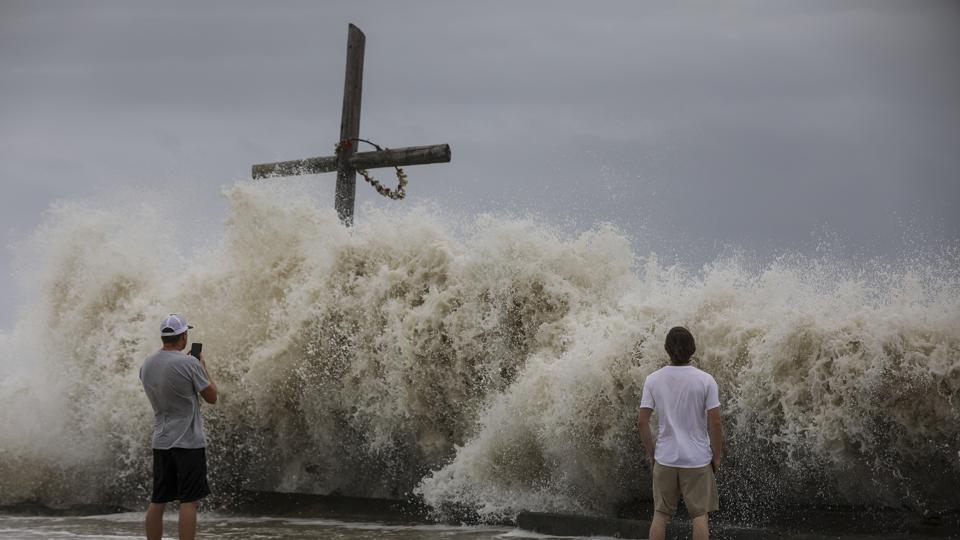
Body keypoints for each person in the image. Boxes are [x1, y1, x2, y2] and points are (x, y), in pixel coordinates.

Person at [637, 326, 723, 540]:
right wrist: (717, 456)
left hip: (665, 458)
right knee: (700, 515)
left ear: (667, 349)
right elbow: (715, 422)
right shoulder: (705, 380)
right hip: (697, 459)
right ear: (692, 349)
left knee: (660, 515)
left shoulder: (653, 379)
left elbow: (642, 422)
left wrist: (652, 453)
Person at [140, 314, 217, 540]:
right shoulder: (190, 363)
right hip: (187, 442)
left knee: (158, 500)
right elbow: (211, 396)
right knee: (189, 501)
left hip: (161, 442)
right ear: (183, 336)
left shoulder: (147, 364)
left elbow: (168, 382)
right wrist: (202, 367)